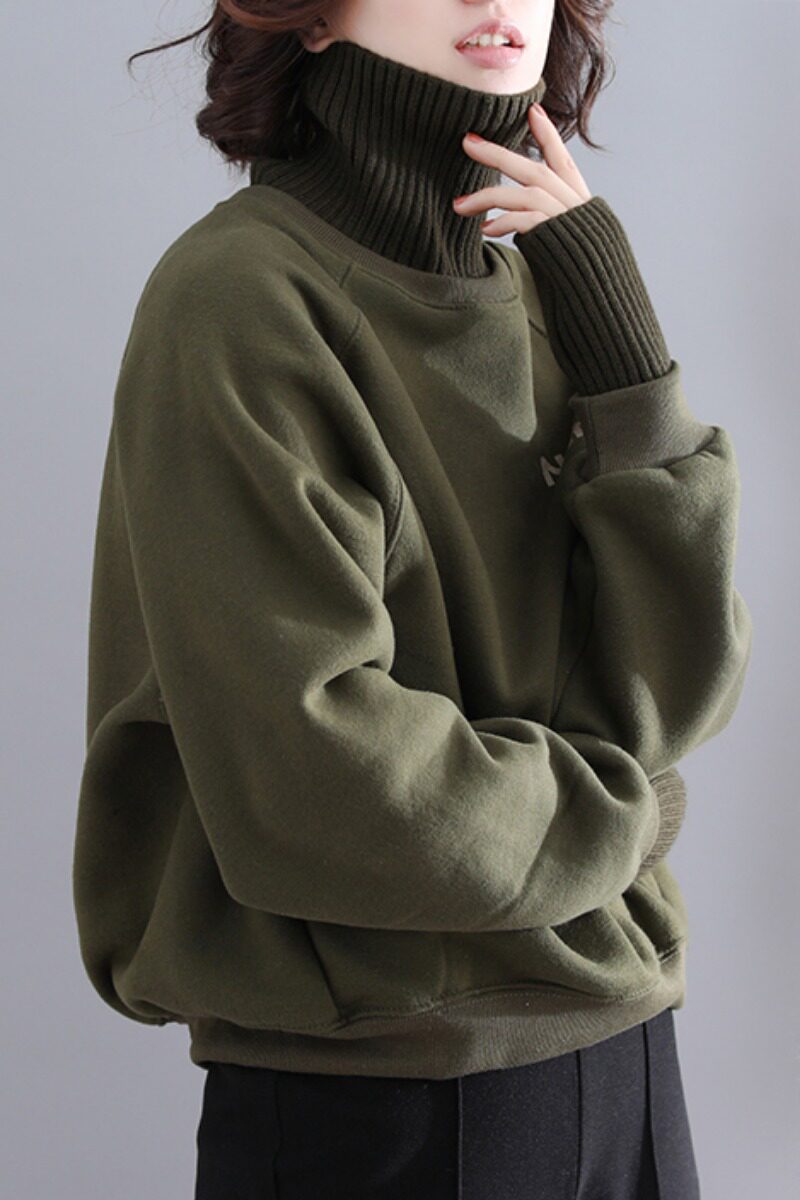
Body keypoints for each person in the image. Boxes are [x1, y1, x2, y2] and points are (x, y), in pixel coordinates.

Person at [72, 2, 753, 1196]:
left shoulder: (534, 286)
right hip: (388, 1088)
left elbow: (675, 687)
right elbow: (322, 783)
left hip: (625, 1043)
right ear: (309, 18)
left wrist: (621, 349)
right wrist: (618, 823)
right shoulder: (238, 300)